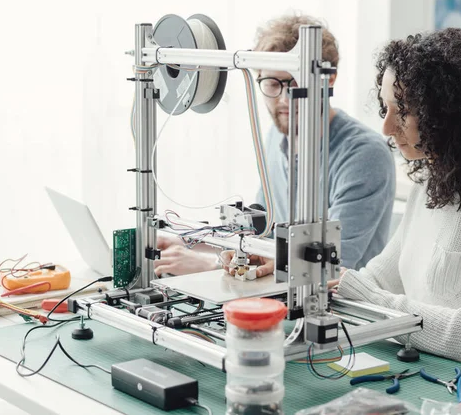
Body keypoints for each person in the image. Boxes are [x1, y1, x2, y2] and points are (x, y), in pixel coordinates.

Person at [333, 28, 461, 364]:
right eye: (385, 109)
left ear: (446, 113)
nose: (386, 128)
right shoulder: (432, 177)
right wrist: (321, 279)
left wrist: (371, 299)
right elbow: (383, 276)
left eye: (401, 111)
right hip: (439, 368)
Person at [154, 15, 395, 278]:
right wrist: (193, 242)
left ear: (330, 79)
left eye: (295, 84)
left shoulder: (364, 156)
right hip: (280, 292)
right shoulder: (275, 138)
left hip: (343, 307)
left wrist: (208, 266)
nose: (284, 100)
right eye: (272, 84)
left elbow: (329, 263)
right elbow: (264, 233)